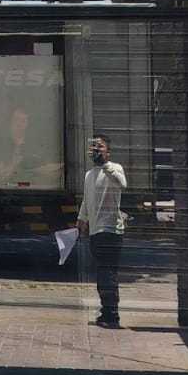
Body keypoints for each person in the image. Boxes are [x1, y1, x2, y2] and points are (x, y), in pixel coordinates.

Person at [77, 133, 127, 329]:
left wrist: (106, 165)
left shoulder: (115, 168)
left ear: (108, 151)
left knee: (107, 272)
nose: (96, 150)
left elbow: (122, 184)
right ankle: (106, 311)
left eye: (100, 147)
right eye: (93, 147)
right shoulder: (89, 175)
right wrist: (82, 218)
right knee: (102, 273)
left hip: (111, 230)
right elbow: (86, 199)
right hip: (95, 231)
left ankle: (112, 314)